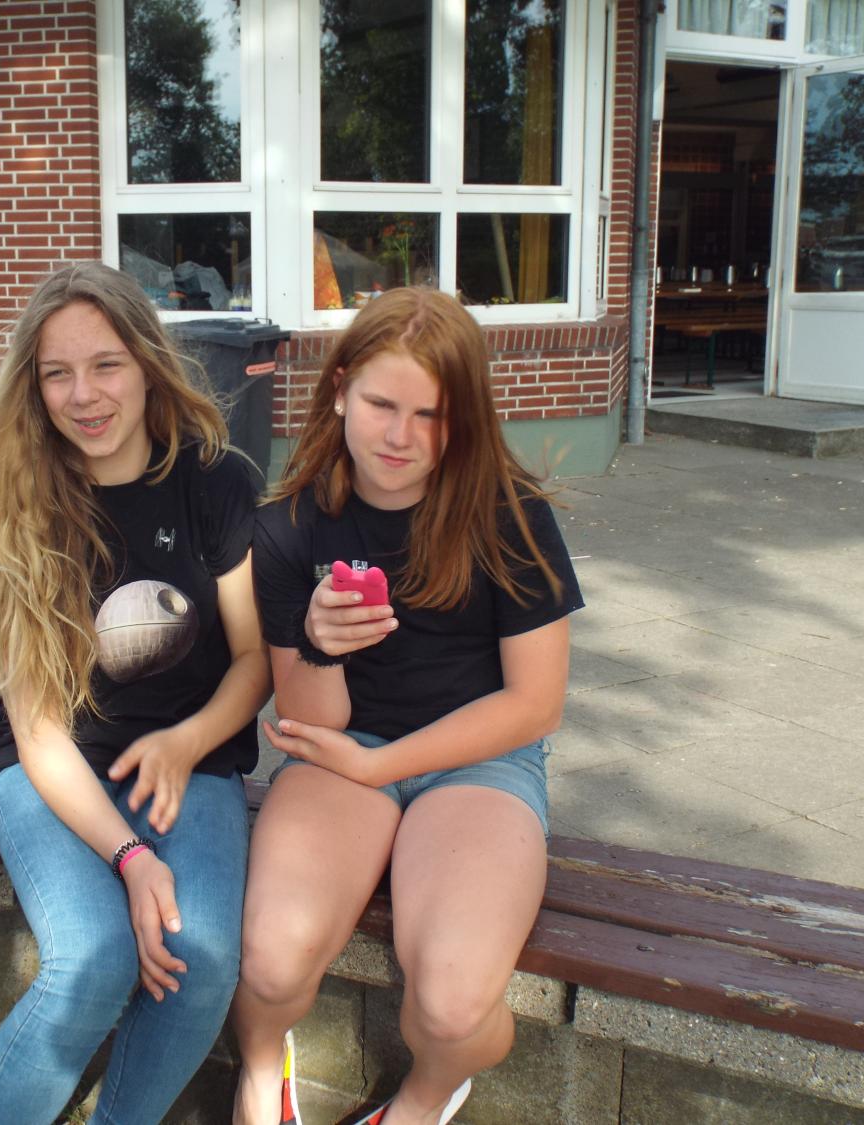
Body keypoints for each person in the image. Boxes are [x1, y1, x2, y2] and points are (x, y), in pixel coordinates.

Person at [231, 287, 583, 1125]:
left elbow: (536, 705)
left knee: (452, 1010)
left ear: (464, 420)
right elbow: (312, 719)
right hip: (339, 750)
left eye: (431, 414)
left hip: (479, 760)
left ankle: (421, 1101)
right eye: (382, 404)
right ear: (341, 389)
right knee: (271, 964)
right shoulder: (287, 529)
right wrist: (319, 643)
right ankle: (260, 1071)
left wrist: (383, 763)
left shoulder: (510, 516)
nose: (400, 436)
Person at [0, 262, 271, 1124]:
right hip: (54, 768)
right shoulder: (13, 509)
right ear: (33, 387)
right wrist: (130, 857)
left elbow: (255, 660)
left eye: (106, 365)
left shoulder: (216, 481)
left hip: (190, 760)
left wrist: (187, 740)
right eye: (57, 373)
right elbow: (36, 727)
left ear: (147, 364)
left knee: (202, 956)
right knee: (94, 957)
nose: (84, 394)